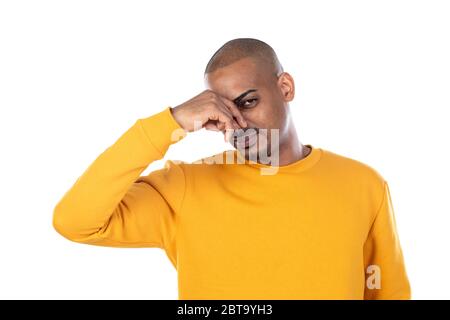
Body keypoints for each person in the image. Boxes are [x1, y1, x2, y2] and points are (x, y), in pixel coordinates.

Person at [53, 38, 411, 299]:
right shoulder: (184, 186)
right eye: (221, 113)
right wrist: (170, 122)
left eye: (248, 101)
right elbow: (75, 221)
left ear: (285, 87)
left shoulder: (363, 184)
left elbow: (388, 293)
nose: (237, 124)